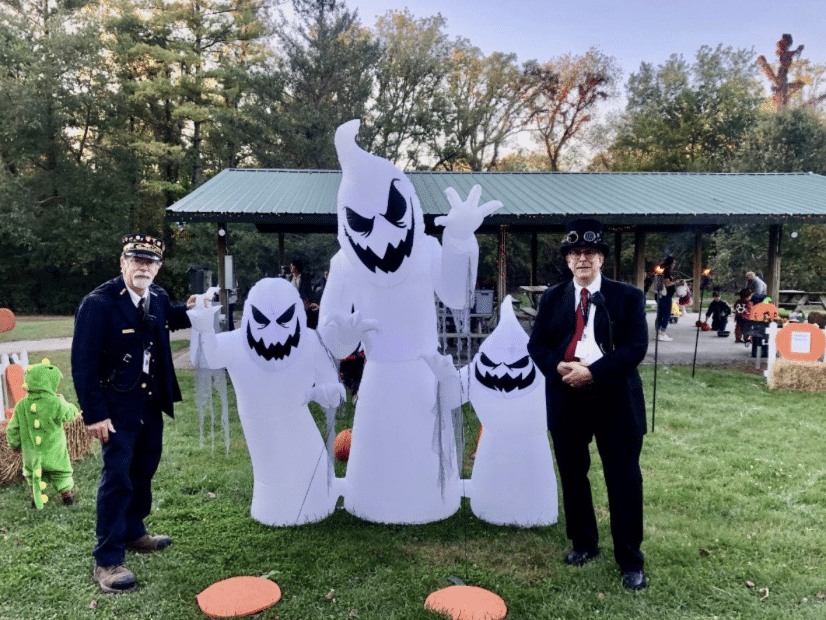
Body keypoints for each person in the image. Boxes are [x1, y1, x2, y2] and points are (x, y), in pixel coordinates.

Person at [527, 218, 649, 592]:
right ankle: (584, 544)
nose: (583, 259)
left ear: (601, 260)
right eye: (576, 253)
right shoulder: (553, 297)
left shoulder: (627, 296)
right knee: (573, 473)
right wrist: (556, 365)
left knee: (623, 478)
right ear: (567, 261)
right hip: (567, 394)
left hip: (613, 396)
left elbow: (635, 348)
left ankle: (630, 560)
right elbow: (538, 346)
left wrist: (593, 372)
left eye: (590, 253)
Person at [72, 234, 195, 594]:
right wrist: (95, 414)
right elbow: (83, 364)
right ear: (122, 263)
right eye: (136, 260)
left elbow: (165, 320)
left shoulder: (157, 296)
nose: (144, 267)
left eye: (151, 262)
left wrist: (194, 307)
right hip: (115, 408)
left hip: (150, 402)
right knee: (117, 476)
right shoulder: (98, 304)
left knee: (144, 468)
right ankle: (108, 559)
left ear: (158, 268)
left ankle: (134, 531)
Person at [6, 359, 79, 509]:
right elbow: (71, 414)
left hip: (32, 454)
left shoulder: (21, 405)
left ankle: (35, 499)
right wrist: (65, 402)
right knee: (61, 474)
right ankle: (67, 496)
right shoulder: (56, 402)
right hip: (55, 452)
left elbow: (12, 428)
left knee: (33, 476)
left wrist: (14, 444)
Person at [288, 258, 319, 328]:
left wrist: (310, 302)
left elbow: (309, 291)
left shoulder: (305, 277)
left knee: (305, 325)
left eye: (292, 266)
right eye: (290, 266)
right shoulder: (289, 278)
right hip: (293, 306)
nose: (291, 268)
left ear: (296, 266)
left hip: (304, 305)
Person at [654, 256, 676, 342]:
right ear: (670, 264)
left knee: (660, 314)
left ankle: (659, 332)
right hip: (666, 296)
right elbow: (667, 284)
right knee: (666, 314)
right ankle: (662, 333)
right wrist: (675, 282)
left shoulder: (662, 271)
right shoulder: (666, 272)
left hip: (661, 296)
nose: (674, 265)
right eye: (673, 263)